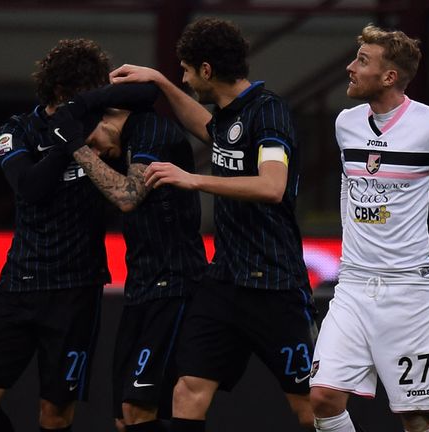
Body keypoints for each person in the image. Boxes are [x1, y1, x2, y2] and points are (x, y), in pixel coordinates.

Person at [109, 17, 318, 432]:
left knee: (309, 408)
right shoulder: (226, 118)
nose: (184, 80)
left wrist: (195, 179)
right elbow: (203, 126)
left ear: (206, 70)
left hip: (274, 285)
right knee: (187, 390)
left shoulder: (268, 112)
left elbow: (273, 186)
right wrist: (162, 83)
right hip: (224, 282)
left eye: (185, 71)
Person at [306, 25, 429, 432]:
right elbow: (351, 187)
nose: (349, 67)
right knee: (323, 398)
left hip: (409, 293)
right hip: (353, 287)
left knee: (416, 419)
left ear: (389, 76)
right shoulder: (346, 123)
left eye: (362, 61)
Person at [0, 39, 114, 432]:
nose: (95, 98)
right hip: (20, 284)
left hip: (77, 290)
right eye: (87, 91)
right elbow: (29, 186)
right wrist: (66, 144)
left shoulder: (106, 129)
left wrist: (79, 134)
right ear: (62, 92)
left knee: (55, 414)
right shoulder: (17, 130)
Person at [49, 99, 208, 432]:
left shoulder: (152, 129)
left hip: (175, 284)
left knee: (139, 410)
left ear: (106, 119)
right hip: (140, 289)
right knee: (124, 419)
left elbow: (127, 196)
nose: (97, 151)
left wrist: (78, 146)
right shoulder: (123, 144)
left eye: (94, 142)